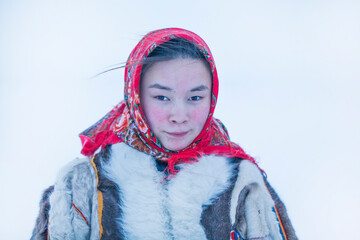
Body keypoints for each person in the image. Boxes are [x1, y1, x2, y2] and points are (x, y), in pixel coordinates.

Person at [31, 28, 297, 240]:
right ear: (135, 97)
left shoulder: (243, 183)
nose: (179, 115)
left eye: (195, 97)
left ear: (211, 97)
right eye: (161, 97)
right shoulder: (81, 185)